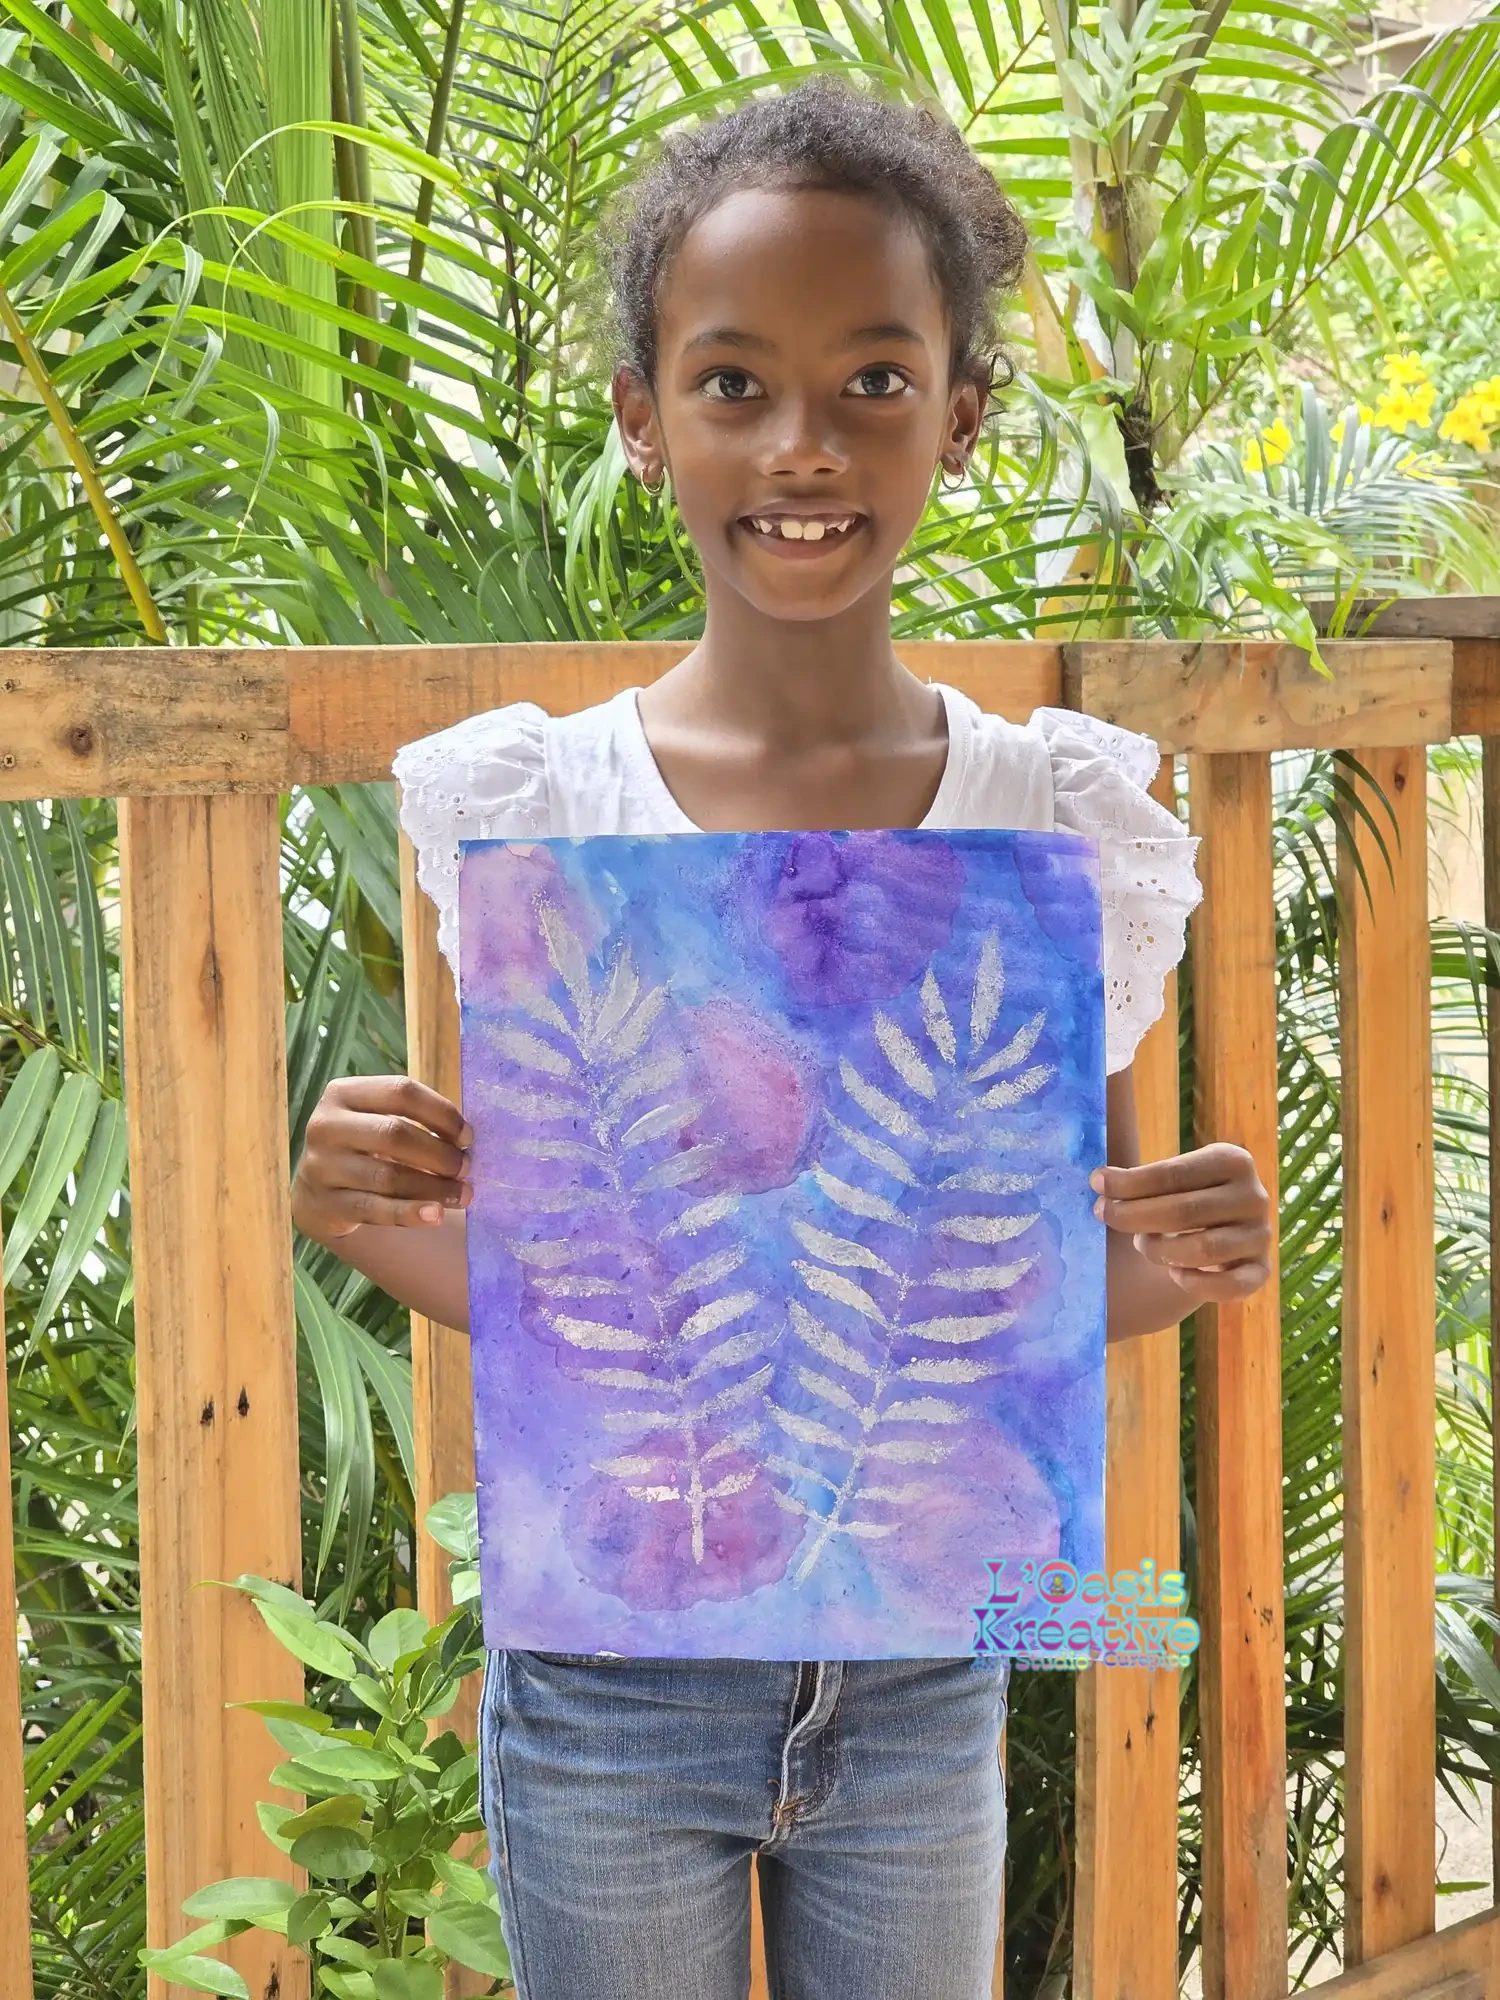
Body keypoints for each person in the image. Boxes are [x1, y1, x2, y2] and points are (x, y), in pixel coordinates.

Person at [291, 78, 1272, 2000]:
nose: (802, 443)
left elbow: (1015, 1285)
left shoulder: (1052, 817)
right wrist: (353, 1201)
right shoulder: (533, 807)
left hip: (923, 1675)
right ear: (644, 423)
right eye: (733, 385)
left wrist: (1173, 1260)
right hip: (609, 1688)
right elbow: (583, 1279)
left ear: (962, 420)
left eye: (875, 381)